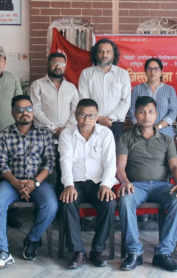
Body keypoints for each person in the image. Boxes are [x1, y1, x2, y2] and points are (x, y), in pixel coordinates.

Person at [117, 96, 177, 272]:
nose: (146, 116)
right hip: (136, 186)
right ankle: (134, 252)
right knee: (125, 199)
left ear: (156, 114)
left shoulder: (166, 139)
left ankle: (163, 253)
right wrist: (125, 181)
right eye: (142, 112)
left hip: (161, 186)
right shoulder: (126, 138)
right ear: (135, 114)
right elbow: (120, 167)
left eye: (150, 112)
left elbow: (175, 166)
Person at [0, 95, 58, 269]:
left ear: (33, 112)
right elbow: (1, 164)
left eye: (28, 109)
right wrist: (16, 183)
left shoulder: (45, 134)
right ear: (12, 113)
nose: (24, 113)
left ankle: (32, 239)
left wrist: (34, 182)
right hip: (11, 182)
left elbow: (50, 162)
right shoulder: (4, 134)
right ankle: (1, 250)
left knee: (51, 205)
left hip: (39, 182)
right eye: (19, 110)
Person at [58, 98, 117, 269]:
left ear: (97, 117)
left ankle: (97, 251)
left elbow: (110, 163)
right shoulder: (66, 134)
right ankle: (78, 252)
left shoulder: (105, 134)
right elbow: (65, 161)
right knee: (67, 201)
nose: (87, 120)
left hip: (98, 183)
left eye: (91, 116)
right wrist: (68, 185)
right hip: (75, 182)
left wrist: (106, 185)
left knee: (109, 203)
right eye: (82, 115)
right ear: (76, 115)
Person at [77, 38, 131, 144]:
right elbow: (84, 100)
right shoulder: (86, 74)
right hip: (92, 123)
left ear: (113, 55)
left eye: (108, 51)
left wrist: (109, 118)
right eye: (101, 51)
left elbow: (126, 101)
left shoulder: (122, 74)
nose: (104, 55)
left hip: (115, 124)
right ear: (96, 54)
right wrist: (98, 118)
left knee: (114, 153)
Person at [29, 52, 78, 138]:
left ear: (65, 67)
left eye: (62, 64)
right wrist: (53, 129)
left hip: (67, 134)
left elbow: (76, 110)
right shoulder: (37, 85)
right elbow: (35, 110)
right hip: (43, 134)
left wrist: (66, 129)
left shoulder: (71, 87)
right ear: (48, 64)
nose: (58, 67)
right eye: (54, 63)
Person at [129, 57, 177, 138]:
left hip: (164, 134)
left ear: (161, 72)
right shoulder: (138, 89)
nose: (152, 72)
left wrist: (157, 127)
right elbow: (132, 111)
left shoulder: (169, 90)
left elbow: (173, 112)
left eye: (156, 69)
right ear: (145, 72)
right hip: (141, 133)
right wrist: (143, 128)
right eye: (149, 69)